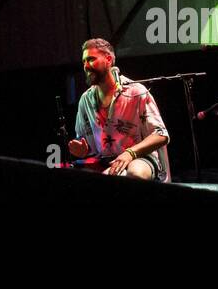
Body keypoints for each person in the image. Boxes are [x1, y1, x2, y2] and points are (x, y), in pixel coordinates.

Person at [68, 37, 172, 181]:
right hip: (105, 162)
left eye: (91, 59)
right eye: (84, 61)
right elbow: (83, 141)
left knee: (135, 174)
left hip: (141, 158)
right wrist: (82, 150)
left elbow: (161, 134)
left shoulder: (136, 91)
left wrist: (130, 153)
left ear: (108, 59)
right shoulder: (85, 99)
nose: (86, 65)